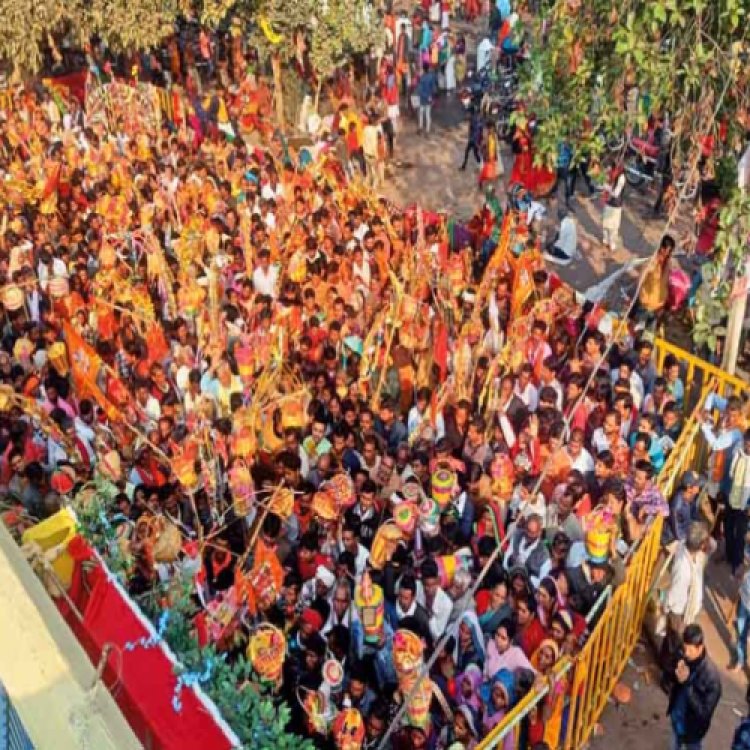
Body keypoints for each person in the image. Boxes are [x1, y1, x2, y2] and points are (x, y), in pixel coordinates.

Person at [660, 522, 710, 687]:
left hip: (684, 611)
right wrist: (677, 617)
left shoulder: (691, 553)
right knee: (676, 647)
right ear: (700, 544)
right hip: (679, 612)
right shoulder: (684, 567)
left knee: (672, 643)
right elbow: (677, 594)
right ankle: (667, 678)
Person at [667, 624, 722, 750]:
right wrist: (675, 670)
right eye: (685, 648)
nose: (686, 653)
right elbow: (669, 676)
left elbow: (704, 713)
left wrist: (687, 683)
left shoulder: (712, 679)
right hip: (676, 718)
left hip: (692, 730)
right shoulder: (683, 655)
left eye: (690, 650)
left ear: (700, 648)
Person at [602, 162, 626, 251]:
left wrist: (607, 187)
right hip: (609, 202)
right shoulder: (611, 173)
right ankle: (606, 240)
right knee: (605, 224)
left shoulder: (621, 178)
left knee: (613, 227)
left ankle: (612, 243)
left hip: (615, 205)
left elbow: (616, 194)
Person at [416, 63, 437, 134]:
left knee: (421, 113)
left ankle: (420, 127)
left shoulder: (421, 78)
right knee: (428, 114)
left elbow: (419, 89)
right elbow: (434, 89)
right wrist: (433, 97)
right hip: (429, 97)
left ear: (423, 69)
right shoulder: (431, 77)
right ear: (428, 68)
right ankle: (427, 129)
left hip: (422, 98)